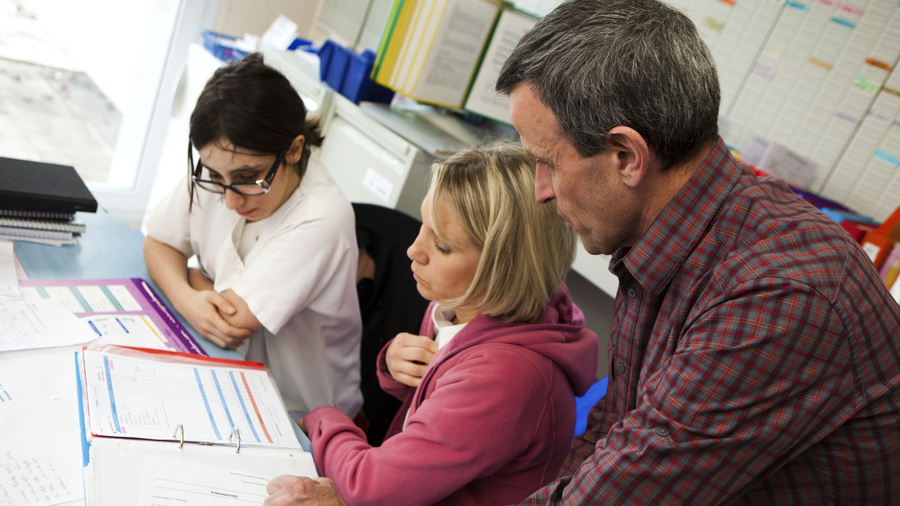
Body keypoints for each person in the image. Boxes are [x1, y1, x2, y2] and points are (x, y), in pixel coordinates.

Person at [494, 0, 900, 503]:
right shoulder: (668, 236)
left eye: (547, 163)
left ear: (626, 157)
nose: (541, 190)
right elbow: (614, 434)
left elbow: (617, 493)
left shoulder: (780, 292)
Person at [268, 143, 599, 505]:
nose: (413, 250)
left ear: (503, 267)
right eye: (424, 225)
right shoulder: (459, 305)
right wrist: (396, 366)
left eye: (441, 246)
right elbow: (437, 410)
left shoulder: (509, 377)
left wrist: (323, 417)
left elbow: (369, 486)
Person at [143, 53, 363, 419]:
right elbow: (159, 241)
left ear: (293, 149)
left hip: (301, 418)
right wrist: (189, 297)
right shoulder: (227, 168)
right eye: (215, 176)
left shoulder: (321, 216)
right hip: (229, 374)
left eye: (249, 177)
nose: (229, 198)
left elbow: (232, 324)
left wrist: (191, 278)